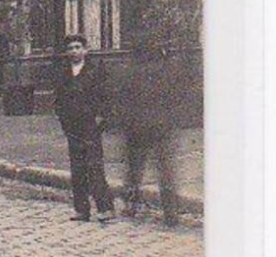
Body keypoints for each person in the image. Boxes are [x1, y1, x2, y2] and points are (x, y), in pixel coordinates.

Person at [117, 34, 182, 226]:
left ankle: (131, 205)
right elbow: (176, 99)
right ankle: (170, 213)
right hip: (162, 127)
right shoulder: (167, 71)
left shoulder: (129, 72)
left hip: (137, 128)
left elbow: (122, 101)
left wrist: (125, 123)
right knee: (165, 170)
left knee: (134, 170)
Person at [53, 33, 116, 224]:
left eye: (78, 47)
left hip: (90, 124)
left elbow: (105, 96)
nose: (74, 51)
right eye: (71, 48)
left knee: (94, 166)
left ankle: (105, 207)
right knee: (77, 168)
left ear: (85, 50)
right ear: (66, 52)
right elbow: (59, 99)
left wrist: (100, 119)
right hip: (72, 125)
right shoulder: (63, 73)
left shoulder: (95, 70)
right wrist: (63, 119)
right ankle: (81, 209)